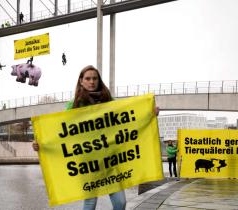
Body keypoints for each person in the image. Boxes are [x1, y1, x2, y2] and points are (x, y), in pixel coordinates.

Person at [33, 65, 159, 209]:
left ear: (99, 80)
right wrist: (40, 143)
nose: (91, 82)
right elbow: (60, 133)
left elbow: (129, 118)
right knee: (90, 203)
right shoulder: (73, 106)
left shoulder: (110, 102)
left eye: (94, 78)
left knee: (120, 202)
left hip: (111, 161)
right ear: (81, 81)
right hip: (87, 164)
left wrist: (149, 114)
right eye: (88, 78)